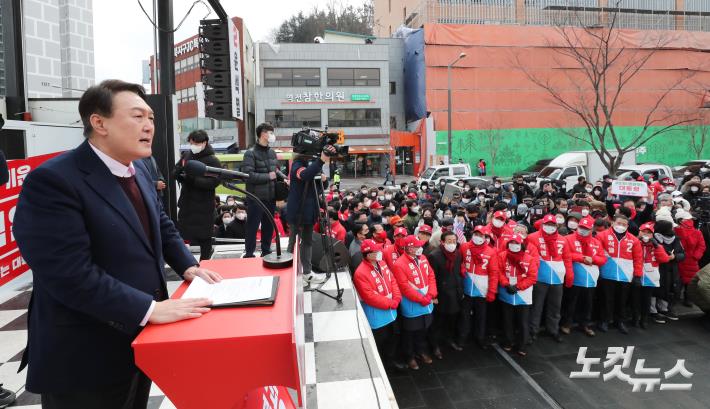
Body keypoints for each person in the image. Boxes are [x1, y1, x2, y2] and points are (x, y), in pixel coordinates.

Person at [13, 79, 222, 409]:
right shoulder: (54, 180)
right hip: (84, 353)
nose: (149, 126)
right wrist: (150, 309)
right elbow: (68, 274)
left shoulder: (137, 169)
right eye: (137, 116)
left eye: (151, 118)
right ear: (99, 123)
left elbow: (161, 224)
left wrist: (188, 265)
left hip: (139, 341)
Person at [353, 239, 405, 370]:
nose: (380, 252)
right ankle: (380, 366)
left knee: (393, 338)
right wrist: (391, 303)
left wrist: (397, 297)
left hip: (391, 309)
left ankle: (391, 361)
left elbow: (392, 279)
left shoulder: (381, 263)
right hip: (377, 315)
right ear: (368, 254)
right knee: (380, 341)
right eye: (376, 251)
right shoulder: (360, 272)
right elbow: (370, 297)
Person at [286, 146, 334, 285]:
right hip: (299, 212)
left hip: (309, 211)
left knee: (306, 241)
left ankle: (305, 271)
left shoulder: (308, 165)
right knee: (294, 241)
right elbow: (305, 175)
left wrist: (324, 180)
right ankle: (293, 268)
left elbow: (318, 187)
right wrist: (321, 161)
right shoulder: (297, 165)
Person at [174, 130, 221, 260]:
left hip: (203, 204)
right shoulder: (187, 155)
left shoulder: (213, 160)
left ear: (204, 143)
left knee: (204, 236)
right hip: (187, 202)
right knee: (182, 233)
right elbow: (177, 168)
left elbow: (214, 182)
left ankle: (205, 260)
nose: (192, 145)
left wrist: (194, 180)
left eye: (195, 143)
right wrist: (178, 173)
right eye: (191, 143)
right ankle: (184, 260)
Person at [392, 235, 437, 370]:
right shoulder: (399, 264)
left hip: (427, 301)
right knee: (409, 333)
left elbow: (431, 276)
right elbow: (404, 287)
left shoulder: (423, 258)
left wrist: (431, 294)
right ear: (409, 248)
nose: (420, 248)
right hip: (412, 305)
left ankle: (421, 351)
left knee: (423, 329)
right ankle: (409, 356)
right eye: (417, 246)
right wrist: (422, 299)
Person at [526, 214, 573, 343]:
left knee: (555, 306)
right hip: (539, 278)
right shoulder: (532, 237)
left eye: (552, 225)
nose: (550, 227)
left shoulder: (563, 240)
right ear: (542, 224)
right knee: (536, 306)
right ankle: (532, 331)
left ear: (557, 226)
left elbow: (567, 258)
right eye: (547, 224)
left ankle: (553, 329)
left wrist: (569, 274)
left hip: (557, 278)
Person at [242, 123, 287, 258]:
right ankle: (249, 253)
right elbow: (248, 175)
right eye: (270, 132)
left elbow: (276, 170)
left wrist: (284, 178)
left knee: (268, 225)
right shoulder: (250, 153)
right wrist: (268, 176)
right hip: (255, 197)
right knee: (252, 226)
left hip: (270, 196)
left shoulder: (272, 152)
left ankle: (266, 251)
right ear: (262, 134)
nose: (272, 135)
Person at [561, 216, 606, 337]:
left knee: (588, 302)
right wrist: (581, 258)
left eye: (586, 228)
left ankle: (585, 324)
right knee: (571, 301)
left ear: (591, 229)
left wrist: (593, 259)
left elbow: (602, 259)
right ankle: (567, 323)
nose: (583, 230)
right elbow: (565, 254)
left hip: (590, 278)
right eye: (581, 227)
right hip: (574, 276)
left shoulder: (596, 242)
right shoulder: (567, 239)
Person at [596, 214, 642, 334]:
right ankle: (604, 320)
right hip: (606, 273)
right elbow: (597, 253)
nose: (621, 226)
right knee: (606, 299)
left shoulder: (634, 240)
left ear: (627, 226)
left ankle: (620, 321)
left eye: (624, 224)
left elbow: (638, 259)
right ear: (612, 223)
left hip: (625, 275)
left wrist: (637, 275)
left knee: (622, 300)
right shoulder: (602, 235)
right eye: (619, 223)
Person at [458, 225, 499, 349]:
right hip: (466, 288)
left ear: (485, 237)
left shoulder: (491, 252)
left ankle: (480, 338)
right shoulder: (464, 247)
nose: (478, 237)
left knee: (481, 316)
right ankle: (462, 338)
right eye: (476, 234)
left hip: (482, 290)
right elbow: (459, 261)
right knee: (464, 316)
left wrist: (492, 291)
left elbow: (494, 272)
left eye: (481, 235)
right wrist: (462, 268)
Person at [498, 234, 538, 357]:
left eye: (517, 243)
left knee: (523, 321)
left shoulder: (529, 258)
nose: (514, 245)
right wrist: (506, 284)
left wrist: (518, 287)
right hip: (506, 291)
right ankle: (508, 342)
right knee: (507, 320)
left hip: (523, 294)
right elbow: (499, 271)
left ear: (521, 244)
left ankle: (522, 344)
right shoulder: (502, 256)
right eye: (511, 243)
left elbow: (532, 277)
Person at [426, 231, 463, 360]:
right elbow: (432, 278)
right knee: (438, 321)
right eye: (449, 241)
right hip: (441, 294)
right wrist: (433, 295)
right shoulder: (434, 256)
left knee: (452, 319)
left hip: (455, 292)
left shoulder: (457, 254)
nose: (452, 244)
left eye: (454, 241)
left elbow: (457, 272)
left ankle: (449, 339)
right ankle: (434, 345)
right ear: (442, 242)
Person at [633, 222, 670, 328]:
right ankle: (636, 318)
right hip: (636, 275)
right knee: (635, 299)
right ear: (639, 232)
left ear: (652, 235)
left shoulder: (657, 245)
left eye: (648, 233)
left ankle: (644, 319)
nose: (646, 234)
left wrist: (657, 246)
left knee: (647, 299)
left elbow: (664, 259)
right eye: (643, 232)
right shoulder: (634, 242)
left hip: (650, 277)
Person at [650, 220, 685, 322]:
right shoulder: (654, 239)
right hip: (657, 267)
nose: (672, 230)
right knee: (655, 289)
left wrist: (675, 257)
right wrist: (663, 256)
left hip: (671, 269)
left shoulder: (676, 239)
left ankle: (664, 309)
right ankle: (653, 310)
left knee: (668, 288)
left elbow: (682, 254)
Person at [674, 210, 706, 305]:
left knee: (690, 281)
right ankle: (676, 298)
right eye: (687, 219)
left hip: (691, 260)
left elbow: (701, 246)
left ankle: (688, 298)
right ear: (680, 220)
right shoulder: (675, 230)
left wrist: (696, 256)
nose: (689, 221)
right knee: (677, 280)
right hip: (678, 258)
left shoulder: (697, 232)